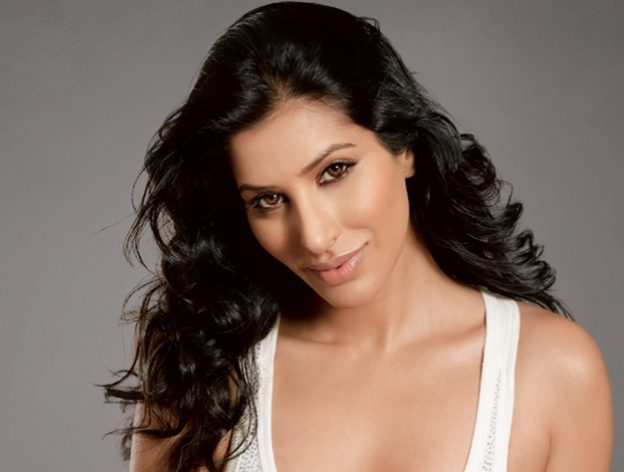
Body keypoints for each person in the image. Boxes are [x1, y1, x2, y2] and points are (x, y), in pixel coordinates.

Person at [102, 2, 613, 471]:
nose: (315, 236)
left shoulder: (554, 370)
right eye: (269, 200)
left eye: (335, 171)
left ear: (405, 147)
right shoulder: (205, 370)